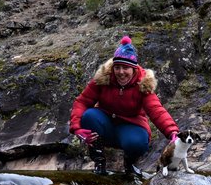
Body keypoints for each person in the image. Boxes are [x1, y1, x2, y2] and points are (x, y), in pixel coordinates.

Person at [69, 35, 179, 175]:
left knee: (138, 142)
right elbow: (82, 101)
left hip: (131, 128)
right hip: (105, 125)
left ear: (134, 69)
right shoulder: (103, 79)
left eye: (126, 68)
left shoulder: (143, 84)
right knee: (89, 116)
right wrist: (77, 128)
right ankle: (99, 162)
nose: (121, 72)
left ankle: (129, 164)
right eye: (118, 67)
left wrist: (172, 132)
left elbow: (156, 110)